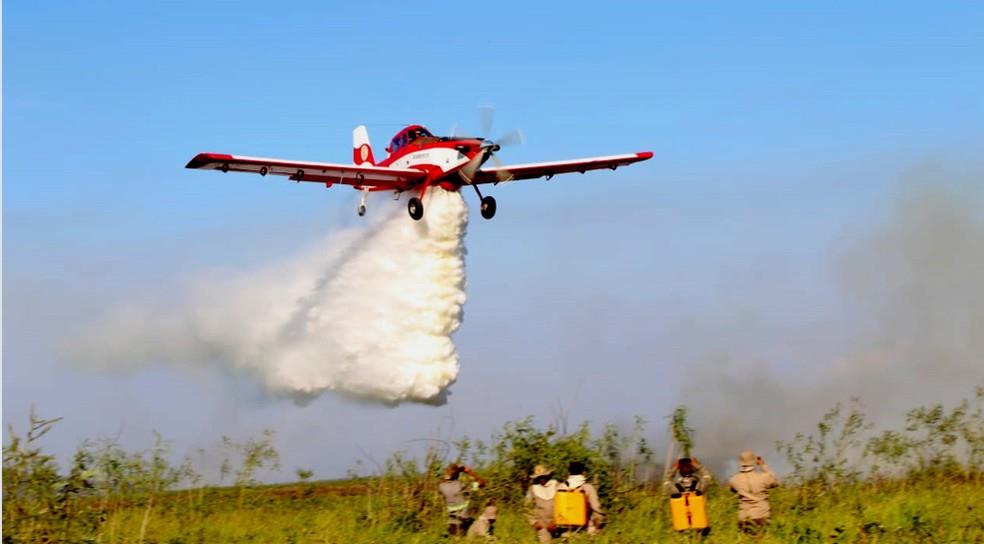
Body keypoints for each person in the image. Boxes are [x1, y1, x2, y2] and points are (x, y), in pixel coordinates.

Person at [728, 451, 780, 533]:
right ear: (754, 462)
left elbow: (733, 490)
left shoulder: (734, 480)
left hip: (744, 519)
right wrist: (763, 466)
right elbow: (776, 482)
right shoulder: (763, 478)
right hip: (761, 517)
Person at [556, 461, 604, 535]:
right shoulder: (588, 487)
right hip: (585, 529)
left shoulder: (560, 487)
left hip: (565, 529)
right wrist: (599, 524)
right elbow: (596, 508)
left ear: (569, 473)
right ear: (583, 472)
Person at [438, 463, 487, 536]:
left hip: (451, 524)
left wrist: (451, 472)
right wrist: (469, 471)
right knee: (483, 524)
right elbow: (482, 483)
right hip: (463, 524)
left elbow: (446, 479)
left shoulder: (441, 487)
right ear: (458, 474)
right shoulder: (463, 485)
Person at [525, 465, 559, 543]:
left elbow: (564, 504)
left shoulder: (557, 485)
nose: (542, 479)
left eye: (543, 476)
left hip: (558, 524)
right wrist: (533, 522)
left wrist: (556, 521)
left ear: (548, 476)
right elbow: (526, 506)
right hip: (542, 526)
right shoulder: (532, 489)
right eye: (539, 477)